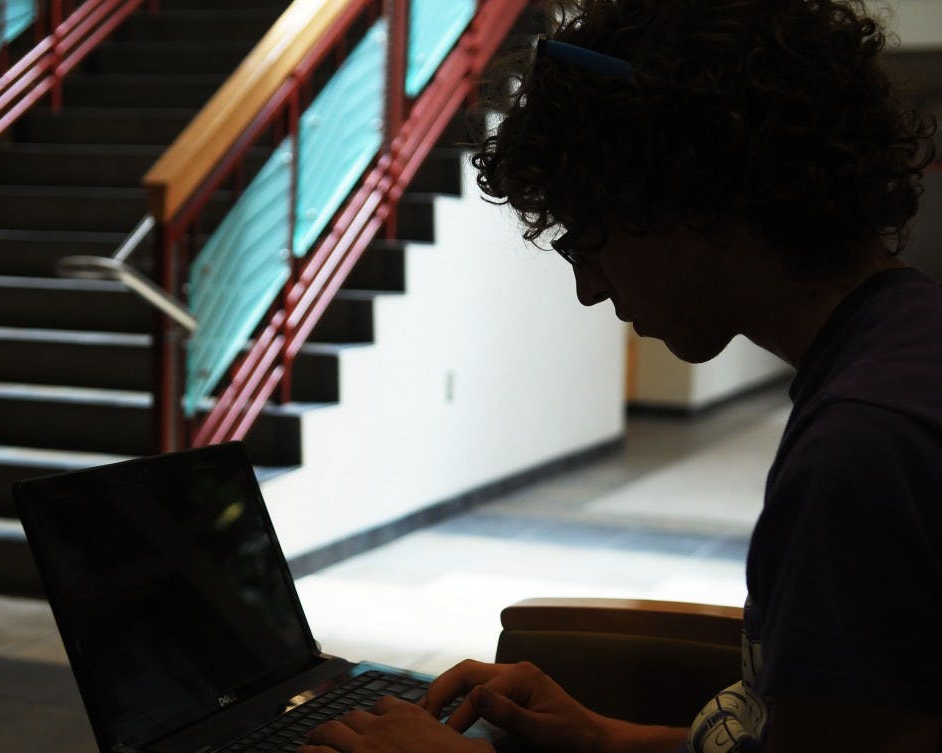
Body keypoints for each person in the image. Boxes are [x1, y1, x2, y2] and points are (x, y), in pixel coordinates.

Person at [299, 0, 942, 751]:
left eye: (590, 236)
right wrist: (604, 737)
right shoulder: (902, 348)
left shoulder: (862, 450)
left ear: (688, 196)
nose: (589, 288)